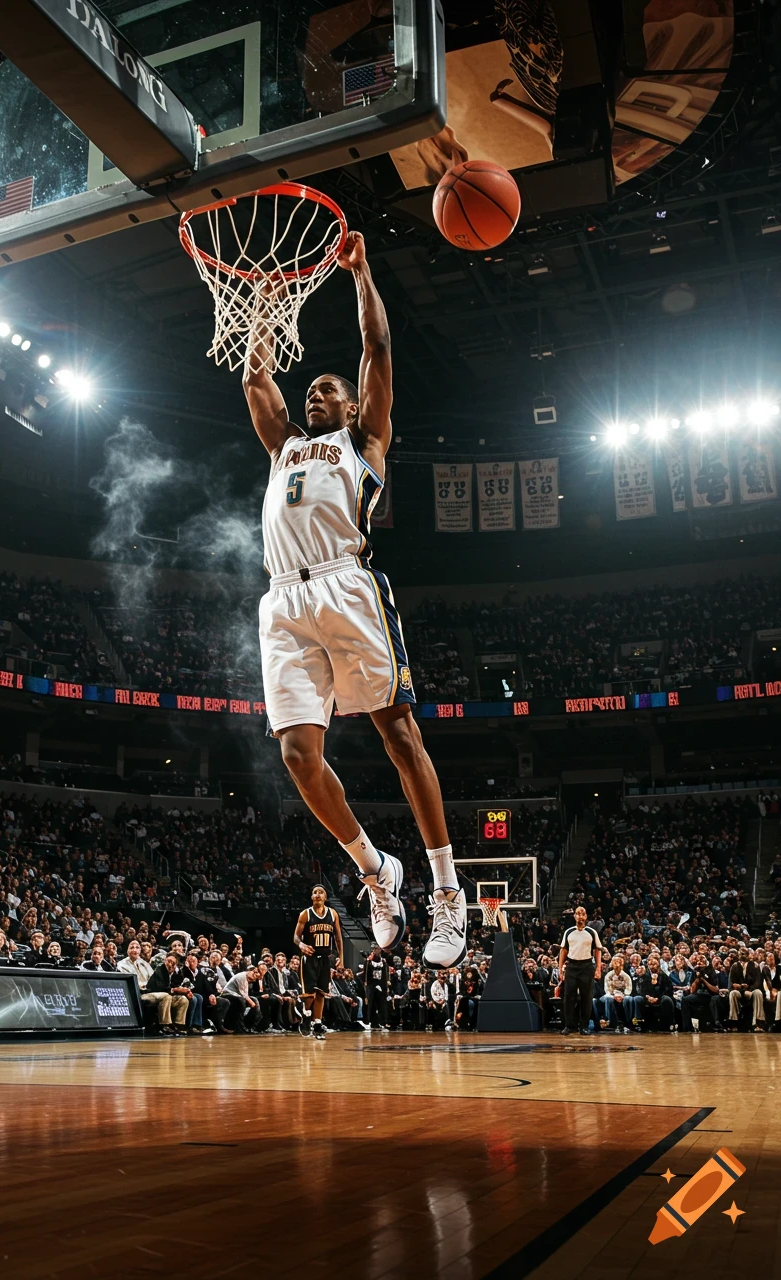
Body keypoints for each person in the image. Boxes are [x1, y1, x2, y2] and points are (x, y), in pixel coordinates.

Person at [242, 230, 467, 969]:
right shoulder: (282, 448)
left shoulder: (365, 442)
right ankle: (376, 871)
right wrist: (265, 315)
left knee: (398, 735)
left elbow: (376, 348)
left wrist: (363, 271)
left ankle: (445, 891)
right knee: (300, 757)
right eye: (311, 390)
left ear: (350, 405)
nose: (316, 394)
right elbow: (255, 382)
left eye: (326, 389)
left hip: (347, 583)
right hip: (282, 601)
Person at [294, 885, 344, 1040]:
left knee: (321, 993)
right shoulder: (305, 914)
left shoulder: (333, 914)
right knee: (309, 994)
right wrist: (301, 945)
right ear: (311, 897)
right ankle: (305, 1015)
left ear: (325, 897)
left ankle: (317, 1023)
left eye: (320, 892)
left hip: (325, 959)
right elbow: (295, 937)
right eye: (314, 892)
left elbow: (337, 937)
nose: (317, 894)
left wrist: (341, 958)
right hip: (309, 959)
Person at [558, 906, 602, 1036]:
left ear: (586, 916)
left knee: (586, 997)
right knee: (568, 996)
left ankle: (584, 1026)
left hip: (586, 966)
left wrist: (598, 968)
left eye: (582, 914)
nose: (580, 916)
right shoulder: (569, 932)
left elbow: (597, 950)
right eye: (578, 914)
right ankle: (569, 1026)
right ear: (575, 916)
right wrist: (560, 969)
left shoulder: (592, 932)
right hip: (571, 965)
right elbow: (563, 950)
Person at [144, 953, 190, 1037]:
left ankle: (178, 1025)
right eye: (169, 961)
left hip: (166, 995)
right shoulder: (160, 970)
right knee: (166, 996)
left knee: (183, 999)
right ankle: (165, 1025)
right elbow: (159, 987)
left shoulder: (175, 973)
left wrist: (185, 990)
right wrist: (174, 990)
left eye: (173, 963)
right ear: (165, 961)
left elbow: (178, 984)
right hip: (149, 993)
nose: (170, 964)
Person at [637, 955, 675, 1033]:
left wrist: (658, 998)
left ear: (658, 964)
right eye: (650, 964)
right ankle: (642, 1026)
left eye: (654, 964)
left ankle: (665, 1027)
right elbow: (641, 990)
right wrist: (647, 997)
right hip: (648, 998)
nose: (652, 966)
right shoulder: (644, 976)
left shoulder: (664, 976)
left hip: (661, 998)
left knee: (667, 999)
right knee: (638, 999)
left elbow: (668, 990)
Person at [363, 945, 389, 1029]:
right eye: (373, 949)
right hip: (371, 984)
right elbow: (366, 974)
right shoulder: (368, 961)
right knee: (371, 1003)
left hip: (381, 985)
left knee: (381, 1003)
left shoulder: (383, 962)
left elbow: (385, 974)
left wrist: (385, 985)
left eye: (376, 949)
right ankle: (371, 1021)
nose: (374, 951)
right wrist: (367, 984)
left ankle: (383, 1022)